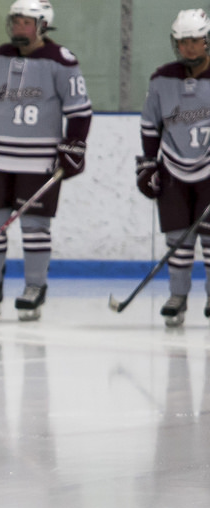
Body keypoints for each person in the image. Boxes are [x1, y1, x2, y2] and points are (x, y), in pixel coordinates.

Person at [0, 0, 91, 321]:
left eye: (26, 22)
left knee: (34, 227)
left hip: (39, 160)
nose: (18, 27)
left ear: (43, 25)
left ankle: (35, 287)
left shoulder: (62, 61)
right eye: (15, 21)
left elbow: (79, 111)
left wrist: (74, 147)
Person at [136, 8, 210, 328]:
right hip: (173, 170)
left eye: (194, 41)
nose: (188, 48)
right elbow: (150, 125)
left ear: (206, 41)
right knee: (177, 237)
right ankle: (177, 296)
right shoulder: (161, 78)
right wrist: (148, 164)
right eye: (182, 42)